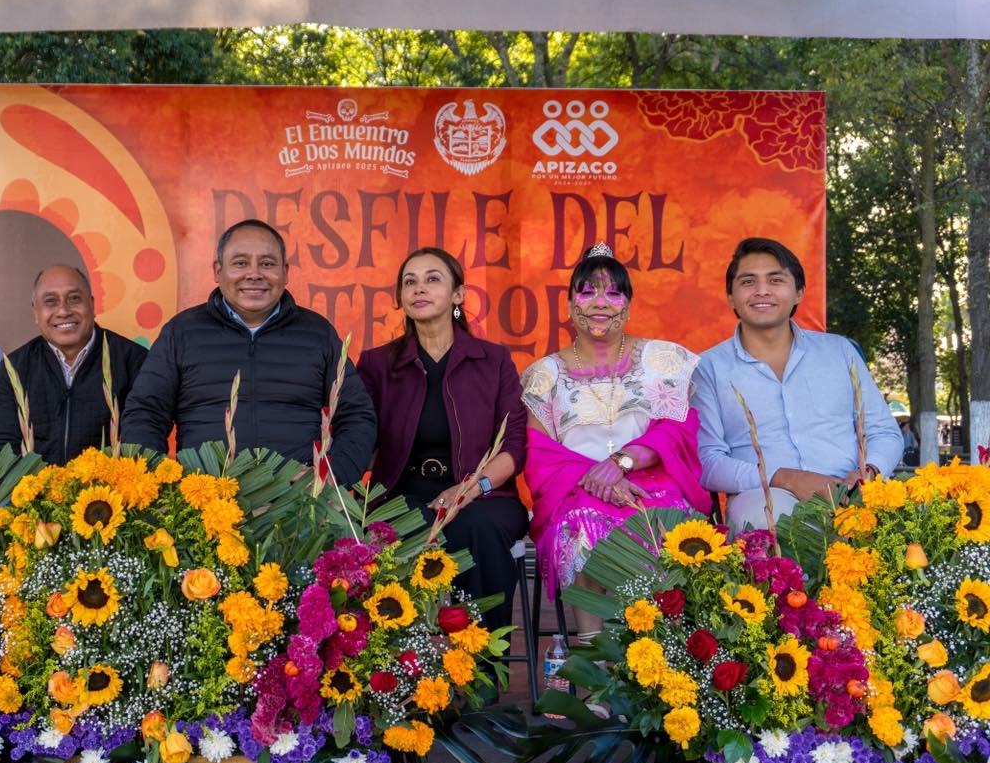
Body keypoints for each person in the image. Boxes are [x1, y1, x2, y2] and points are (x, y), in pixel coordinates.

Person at [521, 244, 710, 632]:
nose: (599, 303)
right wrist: (597, 479)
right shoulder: (544, 375)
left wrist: (621, 464)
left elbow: (679, 429)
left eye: (612, 292)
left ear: (628, 302)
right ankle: (596, 671)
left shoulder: (664, 359)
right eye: (587, 291)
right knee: (583, 530)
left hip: (654, 484)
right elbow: (540, 454)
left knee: (666, 530)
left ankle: (661, 658)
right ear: (571, 303)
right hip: (576, 489)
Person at [121, 219, 376, 482]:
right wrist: (160, 484)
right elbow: (144, 414)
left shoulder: (318, 333)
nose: (254, 274)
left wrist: (331, 477)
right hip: (203, 504)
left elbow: (357, 415)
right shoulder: (181, 332)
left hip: (298, 505)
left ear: (285, 272)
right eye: (240, 263)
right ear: (217, 271)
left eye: (267, 264)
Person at [356, 248, 528, 630]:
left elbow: (513, 444)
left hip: (483, 495)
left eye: (433, 279)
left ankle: (481, 659)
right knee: (388, 530)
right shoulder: (376, 364)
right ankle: (396, 672)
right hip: (402, 497)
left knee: (479, 526)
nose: (420, 288)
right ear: (401, 298)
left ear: (458, 295)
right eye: (410, 281)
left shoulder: (493, 360)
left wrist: (471, 488)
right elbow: (359, 437)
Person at [693, 237, 901, 531]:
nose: (762, 291)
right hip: (768, 497)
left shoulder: (839, 352)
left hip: (853, 491)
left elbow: (883, 432)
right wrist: (782, 478)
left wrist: (869, 471)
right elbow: (707, 461)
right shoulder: (708, 368)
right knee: (764, 515)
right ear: (730, 297)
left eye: (776, 280)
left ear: (799, 292)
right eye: (748, 281)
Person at [0, 264, 148, 463]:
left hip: (106, 490)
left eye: (74, 298)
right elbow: (3, 450)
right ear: (35, 313)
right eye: (50, 301)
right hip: (36, 491)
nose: (63, 311)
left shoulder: (134, 361)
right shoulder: (15, 368)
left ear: (92, 305)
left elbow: (143, 441)